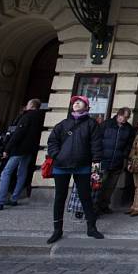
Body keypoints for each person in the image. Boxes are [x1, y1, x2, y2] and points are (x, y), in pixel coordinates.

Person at [45, 95, 103, 243]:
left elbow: (96, 144)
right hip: (61, 166)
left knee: (85, 197)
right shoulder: (63, 124)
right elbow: (52, 141)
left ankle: (91, 228)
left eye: (79, 102)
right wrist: (57, 155)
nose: (76, 104)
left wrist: (96, 162)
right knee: (60, 198)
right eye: (74, 102)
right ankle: (57, 230)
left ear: (86, 106)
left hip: (82, 165)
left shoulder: (91, 124)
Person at [0, 98, 44, 211]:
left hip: (19, 149)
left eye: (28, 104)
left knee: (6, 173)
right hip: (30, 149)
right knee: (22, 172)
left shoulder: (27, 116)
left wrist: (7, 148)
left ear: (32, 105)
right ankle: (14, 198)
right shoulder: (41, 117)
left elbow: (18, 133)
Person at [96, 107, 135, 214]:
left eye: (127, 118)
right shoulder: (107, 124)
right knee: (99, 185)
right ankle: (95, 207)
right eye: (123, 117)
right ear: (119, 115)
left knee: (111, 186)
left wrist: (124, 155)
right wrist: (98, 155)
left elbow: (129, 144)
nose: (124, 119)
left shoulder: (128, 129)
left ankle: (104, 205)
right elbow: (97, 140)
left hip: (118, 161)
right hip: (104, 160)